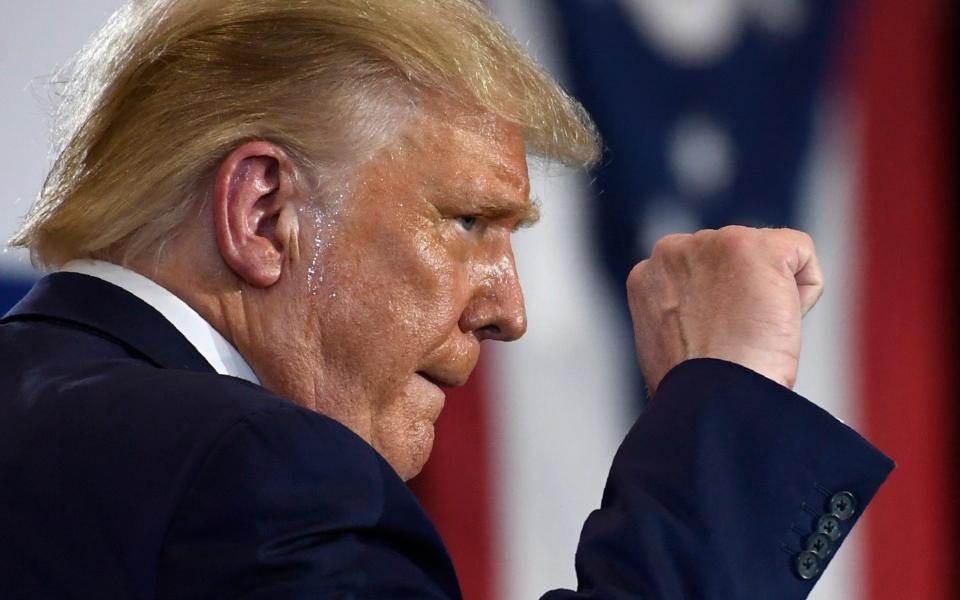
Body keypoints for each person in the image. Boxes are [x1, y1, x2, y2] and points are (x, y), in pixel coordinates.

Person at [0, 0, 892, 598]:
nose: (509, 310)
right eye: (468, 221)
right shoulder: (256, 474)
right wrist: (724, 410)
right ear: (263, 211)